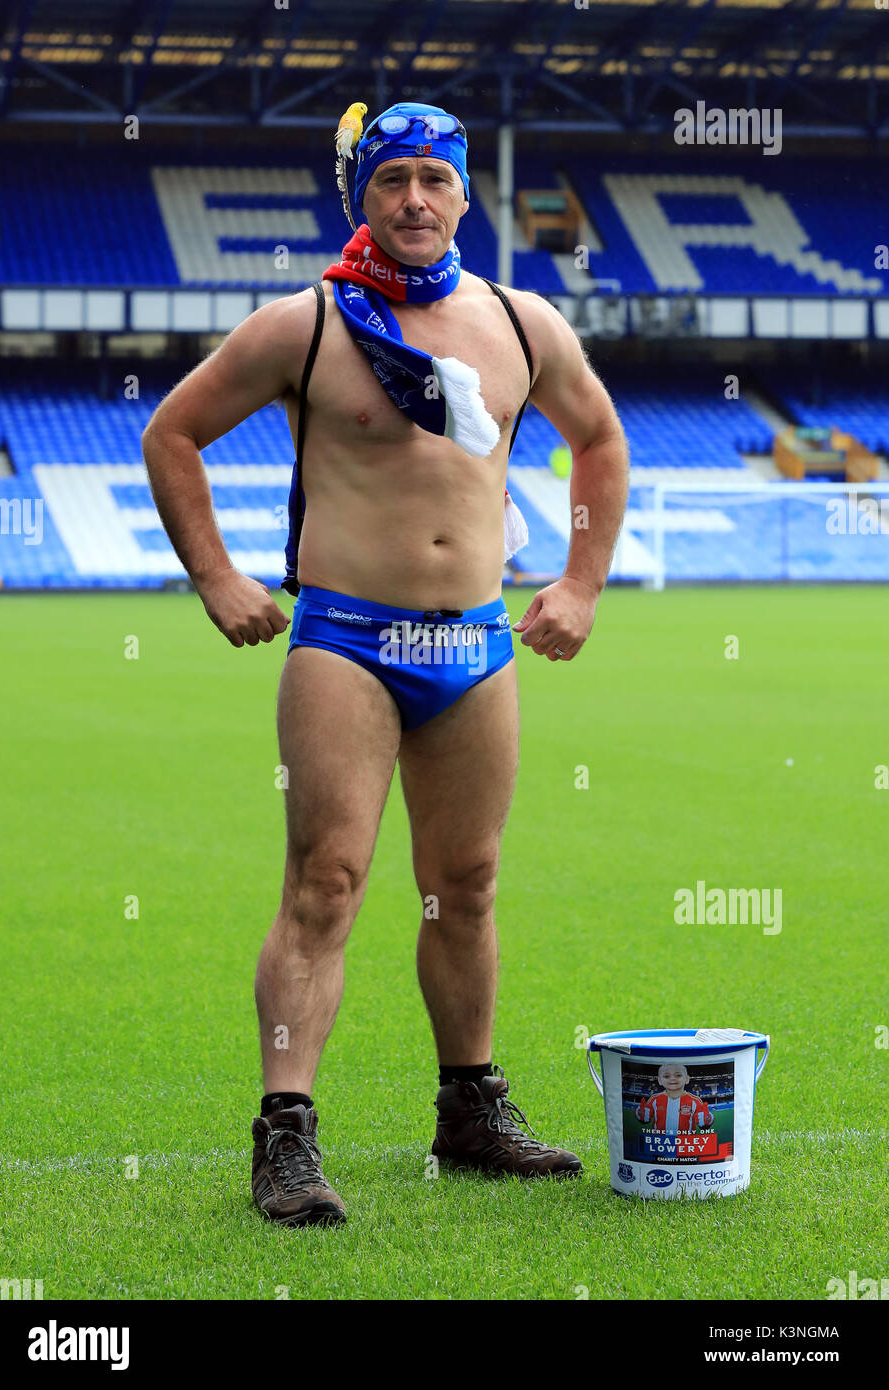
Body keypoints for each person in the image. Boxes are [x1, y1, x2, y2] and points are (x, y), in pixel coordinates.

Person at [142, 102, 629, 1227]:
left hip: (473, 640)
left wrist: (581, 581)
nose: (415, 198)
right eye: (392, 179)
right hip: (347, 641)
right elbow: (171, 430)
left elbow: (597, 437)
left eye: (434, 180)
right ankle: (286, 1132)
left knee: (464, 885)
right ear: (359, 195)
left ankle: (469, 1112)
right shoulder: (304, 325)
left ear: (464, 196)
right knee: (326, 883)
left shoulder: (520, 321)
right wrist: (215, 576)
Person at [636, 1063, 714, 1134]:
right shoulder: (654, 1099)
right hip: (660, 1142)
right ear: (659, 1080)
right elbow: (644, 1119)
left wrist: (707, 1119)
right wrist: (640, 1113)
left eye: (678, 1075)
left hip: (685, 1144)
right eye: (667, 1076)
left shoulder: (695, 1100)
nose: (672, 1078)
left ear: (687, 1079)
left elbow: (704, 1122)